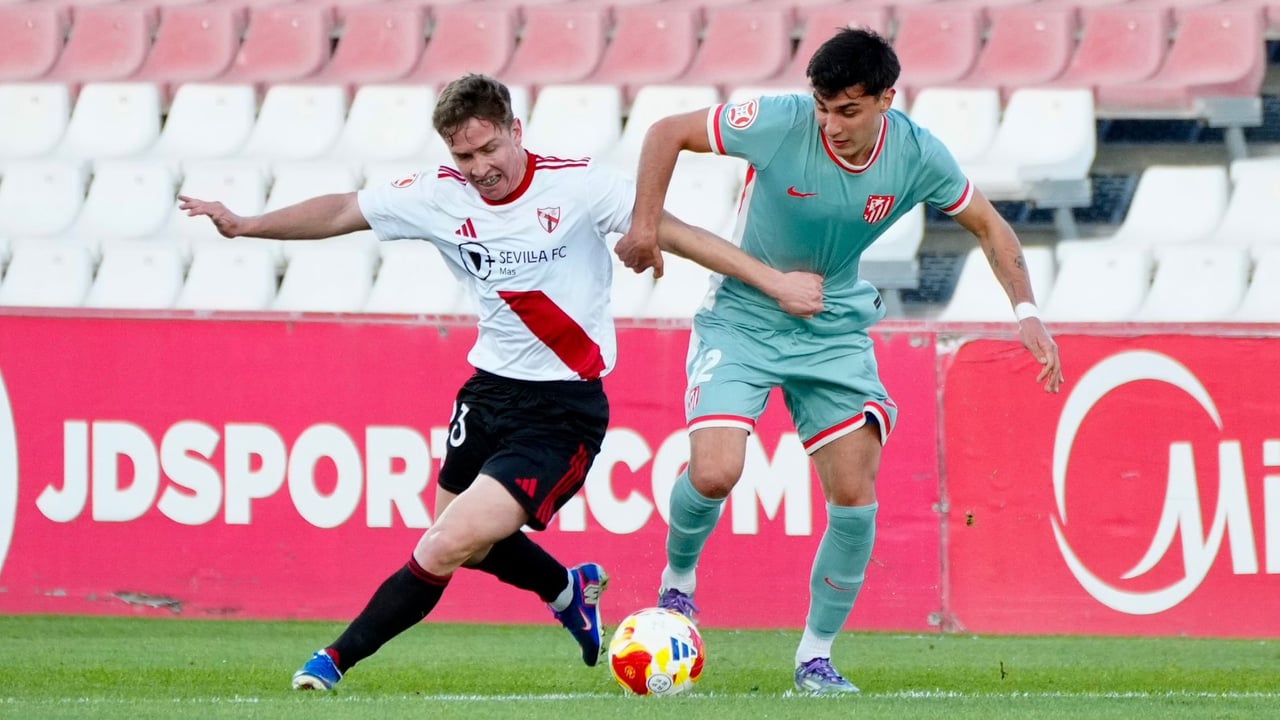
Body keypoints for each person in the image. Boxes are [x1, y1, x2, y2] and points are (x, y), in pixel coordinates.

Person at [178, 73, 824, 691]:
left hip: (561, 412)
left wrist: (775, 283)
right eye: (465, 156)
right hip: (487, 393)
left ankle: (332, 661)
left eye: (489, 148)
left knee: (444, 543)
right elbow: (345, 208)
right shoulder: (438, 194)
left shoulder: (579, 186)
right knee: (467, 542)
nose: (480, 167)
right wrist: (247, 224)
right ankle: (569, 588)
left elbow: (681, 235)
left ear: (516, 130)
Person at [614, 29, 1065, 695]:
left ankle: (815, 659)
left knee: (855, 495)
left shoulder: (917, 154)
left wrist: (1026, 312)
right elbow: (665, 132)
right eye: (823, 108)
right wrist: (645, 226)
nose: (831, 125)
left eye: (848, 111)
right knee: (714, 472)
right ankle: (678, 581)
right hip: (743, 317)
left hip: (831, 325)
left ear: (886, 99)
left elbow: (990, 226)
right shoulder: (779, 122)